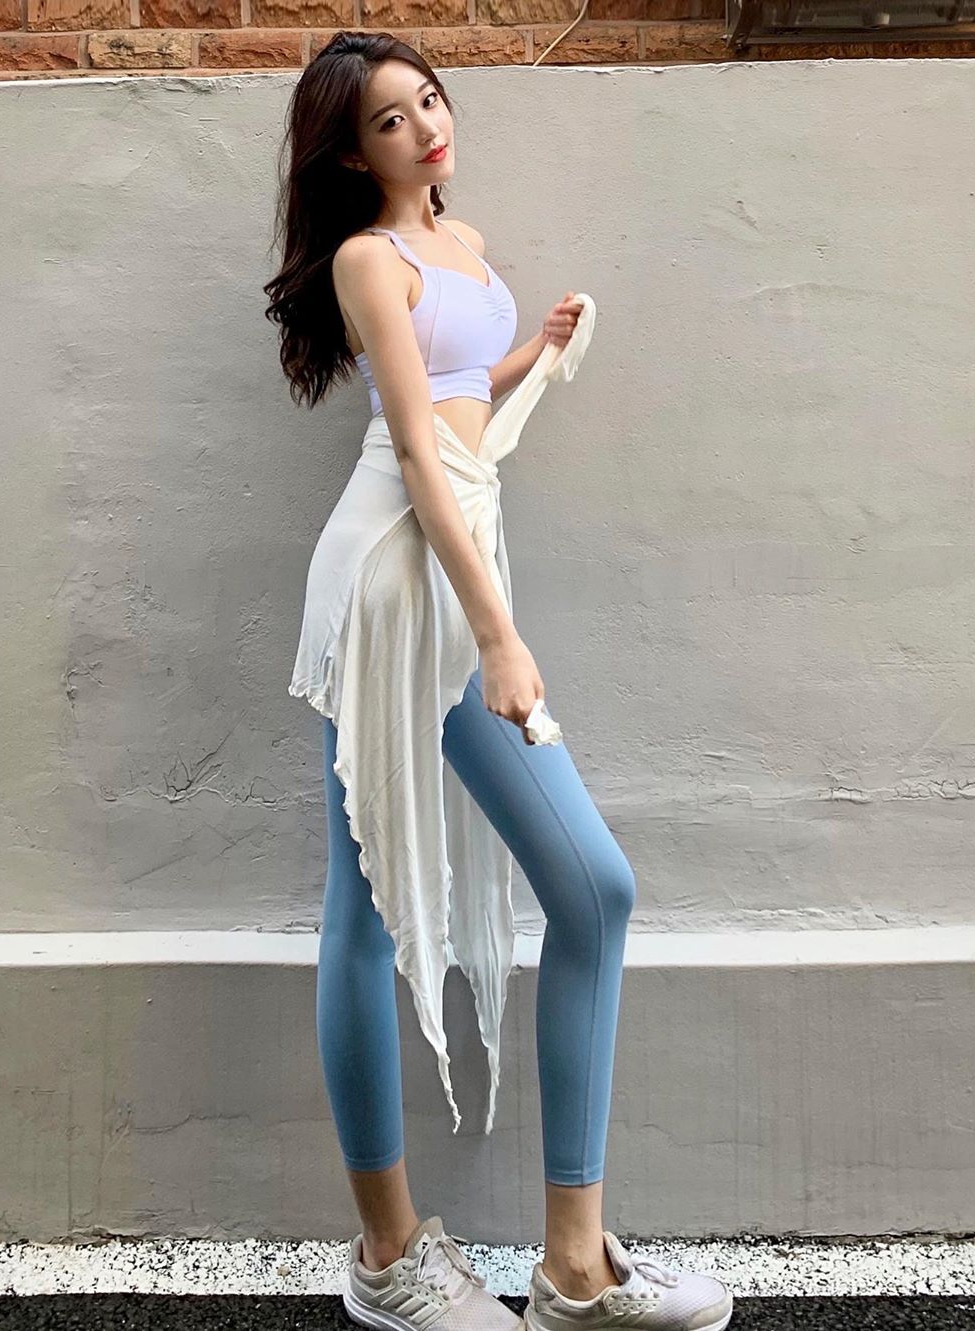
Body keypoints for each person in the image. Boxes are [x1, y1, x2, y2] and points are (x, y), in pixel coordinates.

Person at [265, 30, 733, 1331]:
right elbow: (418, 448)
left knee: (584, 895)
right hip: (397, 580)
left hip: (456, 551)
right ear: (348, 155)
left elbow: (462, 397)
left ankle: (573, 1270)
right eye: (390, 119)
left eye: (429, 100)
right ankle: (391, 1255)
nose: (426, 125)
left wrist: (535, 353)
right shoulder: (370, 258)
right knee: (377, 905)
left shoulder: (457, 242)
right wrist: (500, 637)